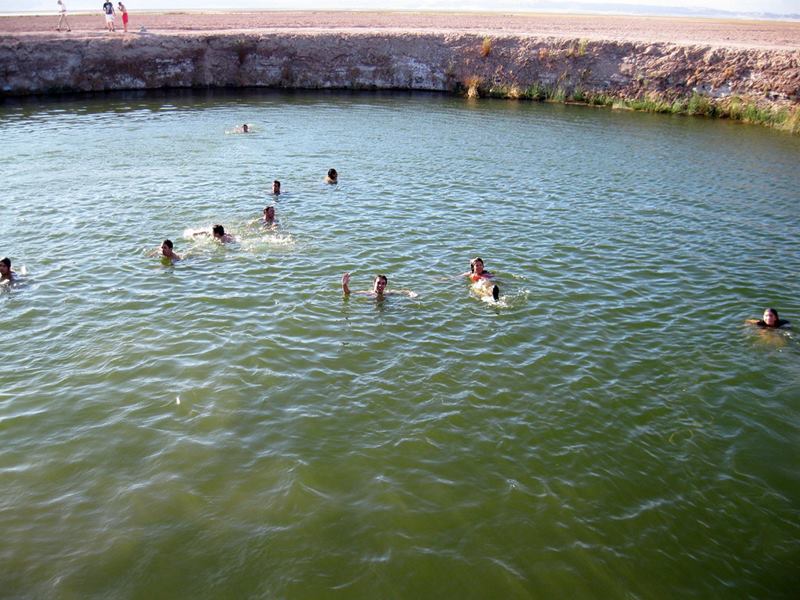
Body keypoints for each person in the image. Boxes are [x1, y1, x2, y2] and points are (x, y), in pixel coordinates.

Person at [341, 272, 416, 299]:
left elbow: (403, 292)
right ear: (374, 283)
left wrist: (411, 293)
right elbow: (348, 293)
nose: (380, 285)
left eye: (383, 284)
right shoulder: (368, 293)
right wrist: (344, 285)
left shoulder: (388, 293)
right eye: (378, 283)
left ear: (385, 285)